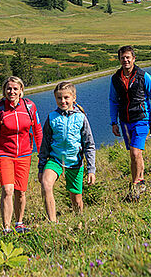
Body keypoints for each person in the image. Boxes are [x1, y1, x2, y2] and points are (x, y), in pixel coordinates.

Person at [0, 76, 43, 234]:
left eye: (15, 88)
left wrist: (42, 154)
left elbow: (37, 131)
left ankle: (19, 223)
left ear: (21, 91)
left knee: (20, 192)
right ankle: (6, 227)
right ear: (4, 91)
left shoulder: (30, 107)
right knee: (7, 190)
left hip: (25, 155)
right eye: (8, 88)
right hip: (4, 155)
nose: (12, 91)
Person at [38, 82, 96, 222]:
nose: (62, 101)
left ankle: (79, 221)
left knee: (76, 199)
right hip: (55, 160)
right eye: (59, 98)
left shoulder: (81, 117)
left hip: (74, 162)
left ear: (73, 98)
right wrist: (41, 167)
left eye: (66, 97)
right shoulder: (51, 117)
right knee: (46, 184)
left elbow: (89, 144)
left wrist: (91, 169)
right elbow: (45, 144)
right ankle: (53, 222)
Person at [109, 45, 151, 200]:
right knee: (134, 155)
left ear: (133, 59)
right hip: (125, 122)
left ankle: (136, 186)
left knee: (135, 152)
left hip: (141, 119)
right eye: (122, 58)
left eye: (128, 57)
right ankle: (139, 180)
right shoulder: (115, 79)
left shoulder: (144, 76)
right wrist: (113, 122)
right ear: (119, 60)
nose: (125, 60)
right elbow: (112, 100)